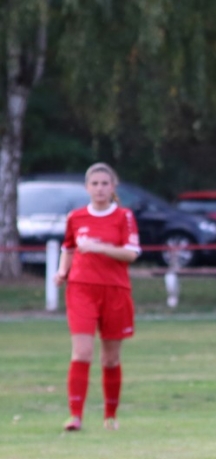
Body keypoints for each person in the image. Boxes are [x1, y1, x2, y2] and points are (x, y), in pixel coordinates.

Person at [54, 163, 141, 432]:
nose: (100, 188)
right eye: (95, 184)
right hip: (81, 289)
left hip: (115, 290)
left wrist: (100, 247)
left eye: (105, 183)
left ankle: (110, 416)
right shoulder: (76, 217)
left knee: (110, 359)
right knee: (82, 352)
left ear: (113, 187)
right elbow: (68, 248)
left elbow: (131, 253)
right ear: (87, 187)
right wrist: (62, 271)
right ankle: (75, 416)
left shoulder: (124, 216)